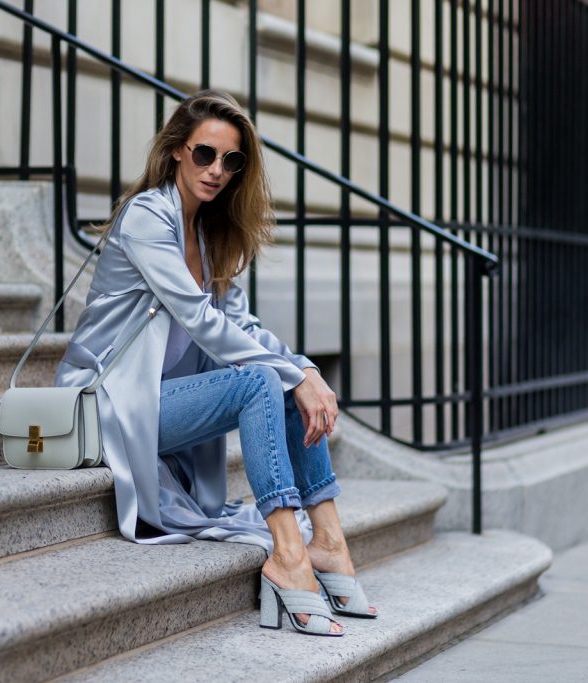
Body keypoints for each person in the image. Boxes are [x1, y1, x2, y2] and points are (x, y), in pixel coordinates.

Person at [54, 90, 375, 636]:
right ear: (177, 150)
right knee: (263, 381)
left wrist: (305, 370)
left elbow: (242, 327)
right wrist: (292, 375)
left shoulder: (208, 232)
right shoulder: (146, 218)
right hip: (112, 403)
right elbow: (202, 321)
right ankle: (288, 555)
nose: (217, 170)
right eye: (205, 154)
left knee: (286, 377)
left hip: (167, 406)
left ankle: (329, 542)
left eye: (232, 160)